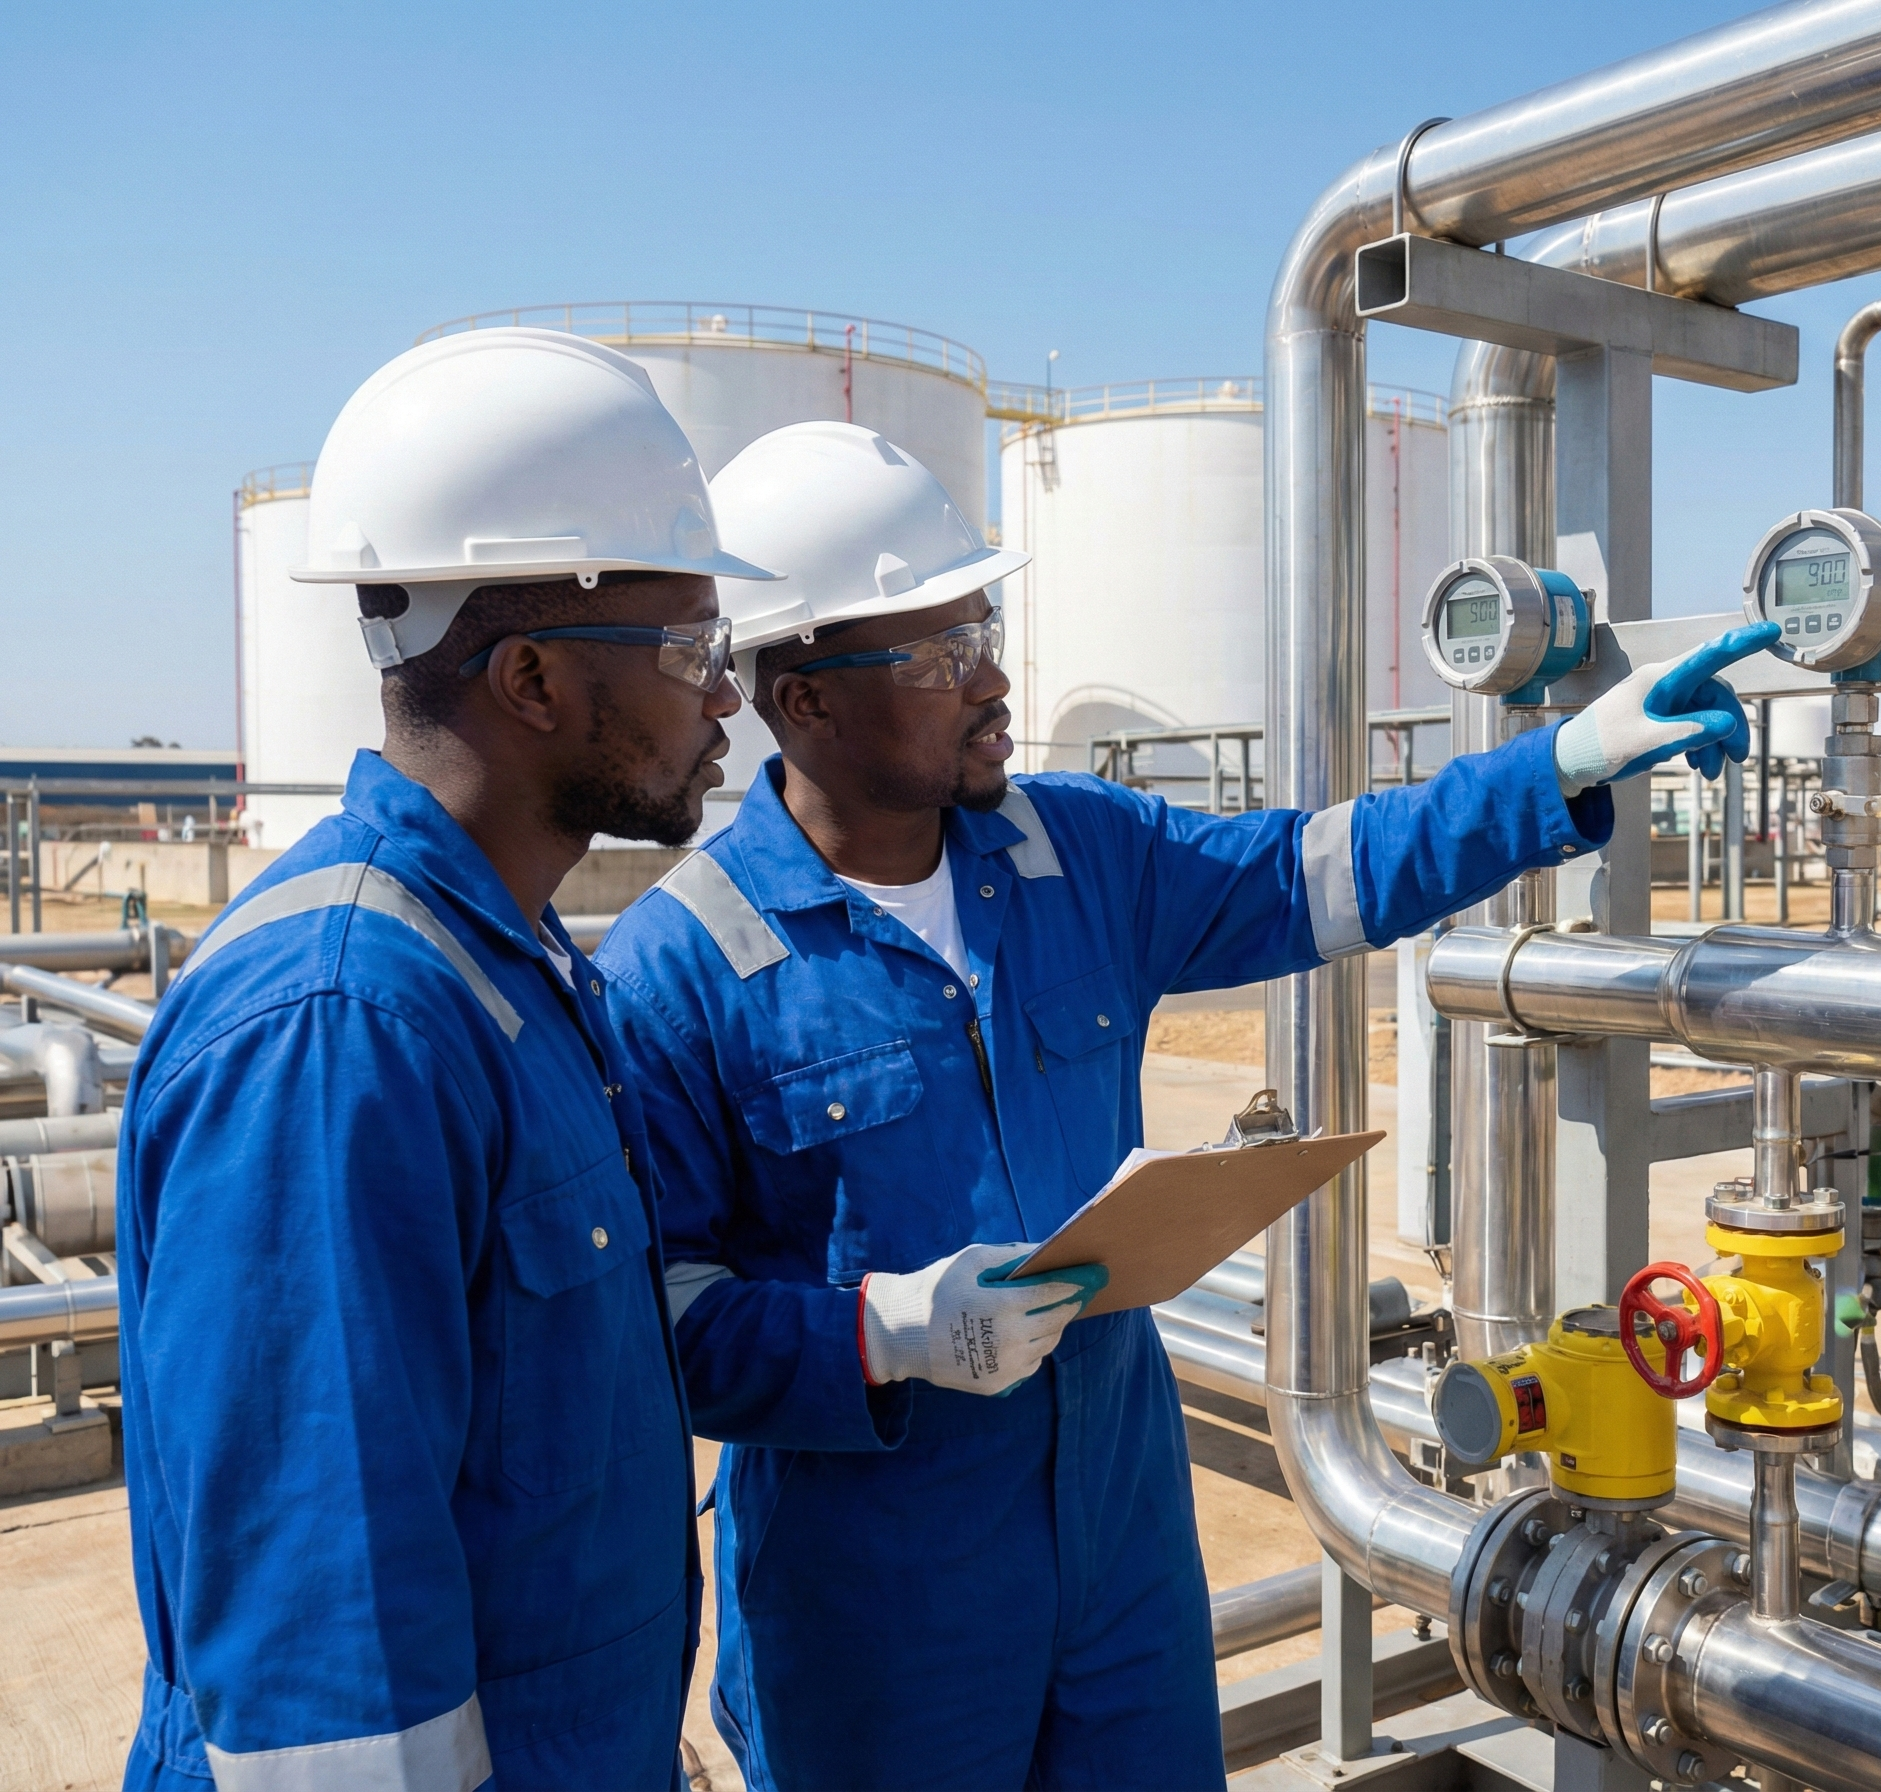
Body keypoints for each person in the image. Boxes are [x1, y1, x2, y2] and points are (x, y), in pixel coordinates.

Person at [596, 419, 1774, 1791]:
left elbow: (1319, 873)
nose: (994, 677)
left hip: (1117, 1541)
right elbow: (657, 1331)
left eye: (984, 624)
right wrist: (886, 1336)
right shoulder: (681, 966)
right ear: (804, 704)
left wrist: (1559, 765)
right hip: (876, 1597)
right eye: (938, 654)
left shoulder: (1070, 852)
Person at [117, 328, 771, 1791]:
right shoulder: (344, 1028)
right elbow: (323, 1673)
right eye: (691, 651)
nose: (726, 697)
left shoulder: (514, 969)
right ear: (533, 676)